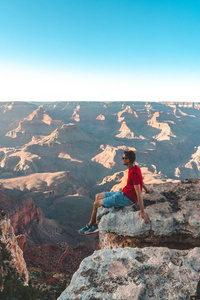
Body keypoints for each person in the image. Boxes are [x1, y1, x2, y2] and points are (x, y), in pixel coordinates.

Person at [78, 150, 151, 235]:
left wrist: (142, 212)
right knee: (98, 195)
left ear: (128, 160)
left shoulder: (133, 173)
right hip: (123, 193)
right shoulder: (135, 168)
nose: (122, 159)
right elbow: (140, 180)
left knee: (96, 204)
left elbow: (138, 193)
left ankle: (92, 225)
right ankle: (95, 223)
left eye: (123, 158)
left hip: (126, 198)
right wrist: (147, 190)